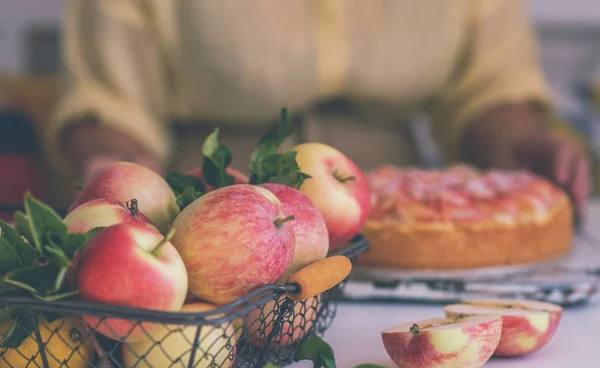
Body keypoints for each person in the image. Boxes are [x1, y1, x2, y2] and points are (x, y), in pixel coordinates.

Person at [43, 0, 590, 213]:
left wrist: (522, 145)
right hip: (210, 216)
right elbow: (108, 106)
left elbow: (487, 91)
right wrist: (110, 171)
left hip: (406, 218)